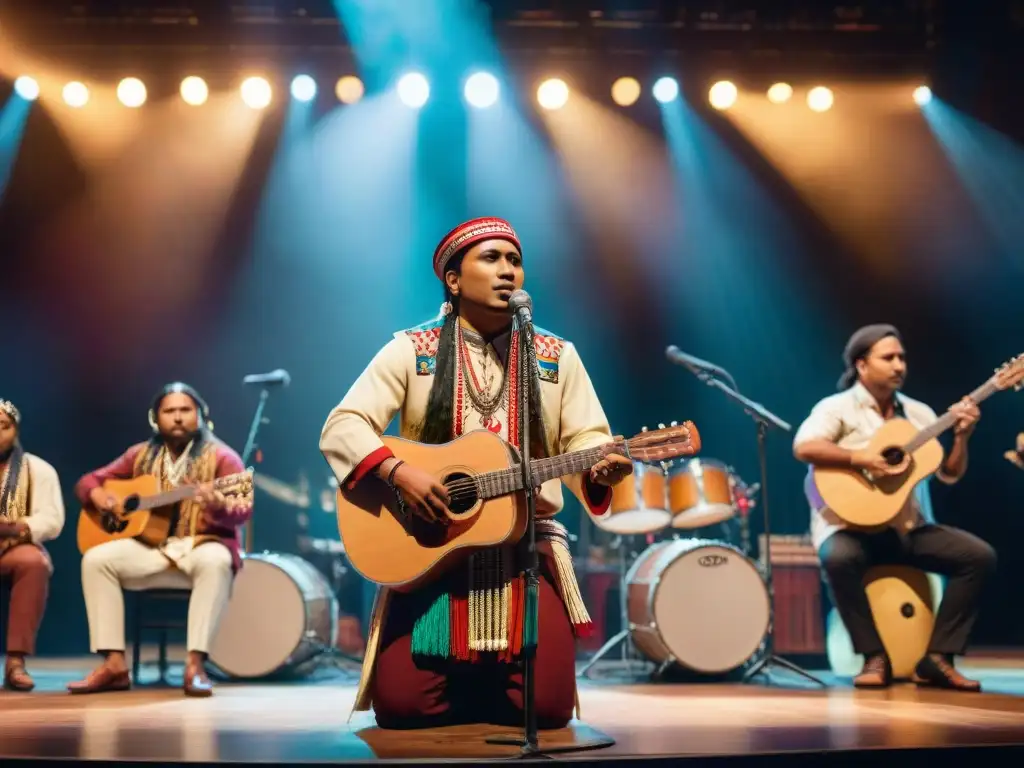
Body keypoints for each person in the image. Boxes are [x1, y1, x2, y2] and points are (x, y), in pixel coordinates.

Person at [320, 216, 632, 729]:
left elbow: (587, 440)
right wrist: (400, 473)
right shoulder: (411, 349)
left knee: (548, 712)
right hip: (431, 551)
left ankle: (486, 675)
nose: (508, 270)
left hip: (525, 554)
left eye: (515, 260)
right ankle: (470, 674)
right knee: (403, 710)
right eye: (491, 258)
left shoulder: (557, 357)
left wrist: (601, 469)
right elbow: (343, 425)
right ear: (454, 279)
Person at [794, 324, 996, 690]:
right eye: (888, 357)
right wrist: (863, 458)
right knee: (838, 557)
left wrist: (962, 436)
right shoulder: (836, 408)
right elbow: (804, 447)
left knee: (978, 556)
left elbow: (950, 474)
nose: (899, 364)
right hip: (850, 528)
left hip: (907, 529)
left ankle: (938, 657)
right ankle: (873, 656)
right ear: (862, 365)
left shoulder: (920, 414)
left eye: (901, 357)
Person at [68, 382, 253, 697]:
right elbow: (88, 481)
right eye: (170, 411)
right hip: (152, 551)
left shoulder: (225, 458)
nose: (178, 417)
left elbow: (242, 511)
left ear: (200, 415)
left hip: (201, 547)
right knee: (97, 560)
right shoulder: (139, 454)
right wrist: (99, 495)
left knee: (216, 561)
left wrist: (219, 504)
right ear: (156, 418)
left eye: (185, 410)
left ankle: (195, 665)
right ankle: (113, 664)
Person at [0, 399, 66, 691]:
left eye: (4, 427)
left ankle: (15, 662)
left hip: (12, 547)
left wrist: (15, 527)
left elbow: (52, 519)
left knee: (34, 563)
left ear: (15, 430)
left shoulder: (37, 469)